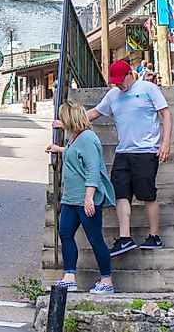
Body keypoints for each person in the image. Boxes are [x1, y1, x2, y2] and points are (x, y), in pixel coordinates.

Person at [83, 59, 172, 256]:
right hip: (123, 152)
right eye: (114, 82)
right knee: (120, 193)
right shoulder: (113, 95)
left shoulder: (148, 88)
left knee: (147, 194)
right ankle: (125, 238)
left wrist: (165, 143)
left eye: (120, 81)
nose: (118, 85)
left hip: (147, 151)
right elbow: (95, 112)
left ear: (130, 74)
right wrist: (67, 122)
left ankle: (154, 236)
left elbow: (165, 114)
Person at [47, 100, 117, 294]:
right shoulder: (74, 137)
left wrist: (89, 198)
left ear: (70, 118)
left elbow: (92, 169)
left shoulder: (88, 138)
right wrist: (60, 149)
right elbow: (74, 153)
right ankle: (69, 277)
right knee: (65, 233)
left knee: (95, 238)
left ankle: (107, 281)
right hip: (71, 198)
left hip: (86, 198)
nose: (61, 121)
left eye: (63, 117)